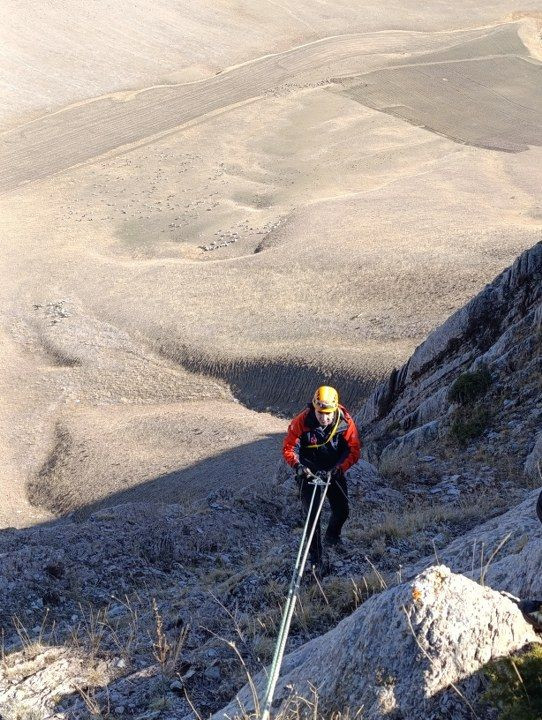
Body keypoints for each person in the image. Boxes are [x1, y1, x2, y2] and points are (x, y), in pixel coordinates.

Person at [282, 385, 361, 572]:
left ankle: (332, 537)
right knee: (312, 517)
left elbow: (354, 450)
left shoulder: (345, 423)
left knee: (342, 511)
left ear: (335, 409)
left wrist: (339, 469)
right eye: (320, 413)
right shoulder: (302, 421)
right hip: (309, 473)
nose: (324, 418)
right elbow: (289, 448)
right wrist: (299, 467)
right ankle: (316, 559)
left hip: (334, 470)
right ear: (314, 409)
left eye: (328, 413)